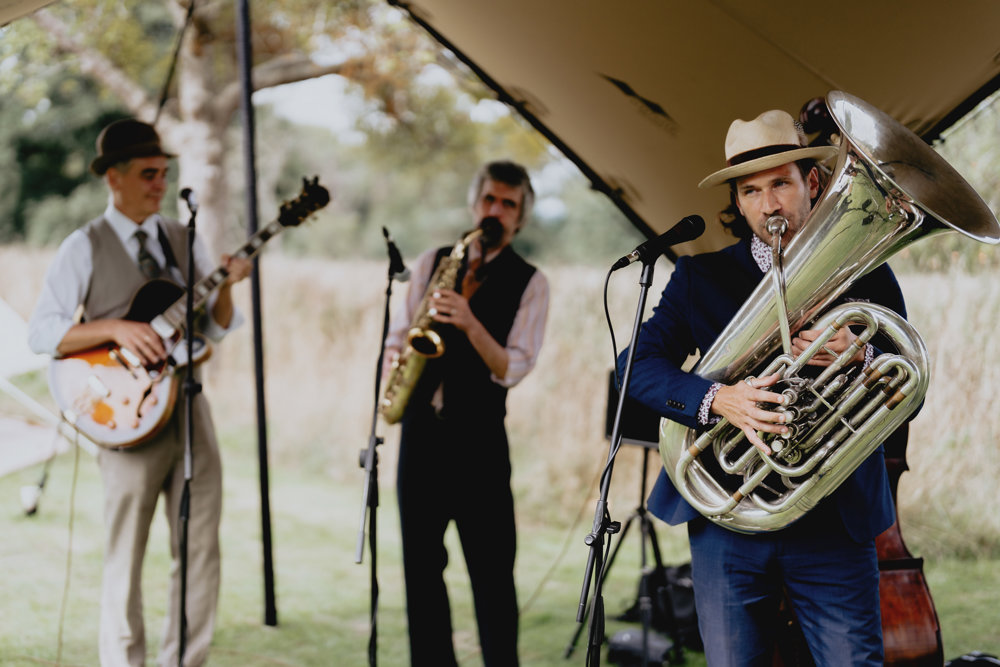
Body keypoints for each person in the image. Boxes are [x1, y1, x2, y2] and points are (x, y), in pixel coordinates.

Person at [622, 109, 910, 666]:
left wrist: (860, 356)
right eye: (751, 191)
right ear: (736, 202)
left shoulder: (867, 273)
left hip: (833, 517)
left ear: (814, 183)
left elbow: (908, 380)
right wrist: (718, 400)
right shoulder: (699, 279)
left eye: (781, 182)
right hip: (729, 519)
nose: (769, 205)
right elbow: (635, 365)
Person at [28, 118, 252, 667]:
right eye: (149, 174)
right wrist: (115, 329)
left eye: (164, 174)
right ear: (115, 178)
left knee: (200, 550)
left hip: (188, 409)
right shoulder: (84, 245)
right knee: (125, 554)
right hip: (122, 419)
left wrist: (227, 282)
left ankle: (185, 661)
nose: (160, 184)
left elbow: (216, 329)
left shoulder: (185, 237)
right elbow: (43, 332)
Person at [383, 160, 549, 666]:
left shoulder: (532, 283)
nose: (495, 211)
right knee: (421, 569)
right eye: (489, 200)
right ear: (474, 205)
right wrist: (396, 360)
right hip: (420, 436)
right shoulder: (436, 259)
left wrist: (469, 321)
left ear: (520, 218)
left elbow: (511, 367)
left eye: (508, 204)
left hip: (478, 443)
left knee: (493, 572)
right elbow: (399, 333)